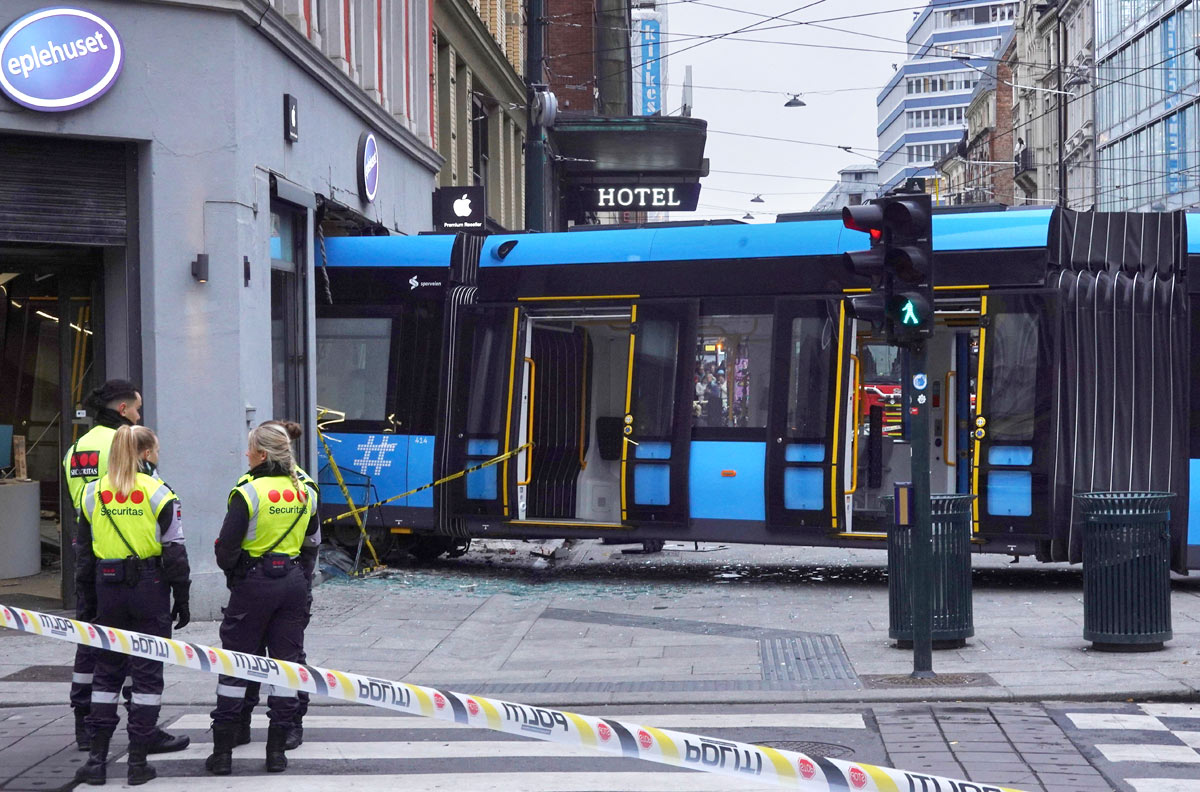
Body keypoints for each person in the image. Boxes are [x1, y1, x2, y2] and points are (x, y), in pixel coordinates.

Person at [62, 380, 188, 756]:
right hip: (136, 567)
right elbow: (158, 519)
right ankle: (141, 728)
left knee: (94, 645)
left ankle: (85, 725)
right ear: (123, 412)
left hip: (95, 556)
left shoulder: (76, 449)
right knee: (141, 654)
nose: (138, 416)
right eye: (136, 410)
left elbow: (83, 505)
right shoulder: (123, 444)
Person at [207, 423, 319, 776]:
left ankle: (223, 751)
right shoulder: (305, 492)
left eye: (251, 448)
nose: (246, 454)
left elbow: (226, 549)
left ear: (262, 454)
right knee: (286, 668)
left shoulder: (248, 492)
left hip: (254, 584)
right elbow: (312, 543)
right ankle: (276, 752)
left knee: (237, 665)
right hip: (293, 581)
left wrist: (238, 573)